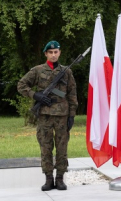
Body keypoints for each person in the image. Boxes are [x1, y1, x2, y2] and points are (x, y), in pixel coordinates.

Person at [17, 41, 77, 191]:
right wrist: (36, 95)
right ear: (46, 54)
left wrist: (72, 115)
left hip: (62, 115)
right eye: (50, 52)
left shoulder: (66, 72)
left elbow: (72, 94)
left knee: (62, 147)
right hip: (45, 114)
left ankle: (60, 178)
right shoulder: (37, 71)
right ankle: (49, 178)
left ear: (59, 53)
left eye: (56, 52)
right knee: (45, 147)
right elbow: (21, 85)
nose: (53, 54)